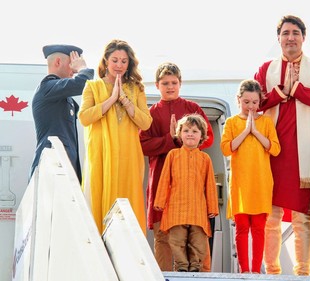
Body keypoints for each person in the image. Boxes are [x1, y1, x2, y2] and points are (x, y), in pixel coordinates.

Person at [254, 15, 310, 275]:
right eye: (285, 33)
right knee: (271, 216)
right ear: (278, 38)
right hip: (272, 151)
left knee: (303, 217)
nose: (290, 38)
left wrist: (298, 90)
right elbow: (252, 102)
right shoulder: (266, 68)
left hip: (304, 153)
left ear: (304, 37)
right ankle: (272, 272)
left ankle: (303, 272)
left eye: (295, 33)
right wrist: (281, 92)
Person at [139, 62, 214, 271]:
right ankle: (163, 275)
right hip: (162, 182)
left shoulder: (192, 109)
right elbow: (143, 145)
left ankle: (198, 274)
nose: (170, 87)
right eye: (165, 83)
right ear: (157, 85)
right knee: (162, 234)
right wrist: (170, 140)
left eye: (173, 82)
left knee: (195, 233)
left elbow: (209, 138)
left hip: (190, 186)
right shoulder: (152, 113)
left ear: (180, 84)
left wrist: (184, 141)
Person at [78, 39, 152, 234]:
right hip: (101, 156)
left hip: (128, 157)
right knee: (99, 200)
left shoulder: (137, 89)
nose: (119, 65)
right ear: (106, 61)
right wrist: (111, 99)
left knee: (128, 204)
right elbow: (84, 117)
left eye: (124, 61)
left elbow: (146, 122)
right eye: (115, 60)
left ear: (130, 64)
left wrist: (125, 101)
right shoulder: (92, 86)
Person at [220, 79, 280, 274]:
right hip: (240, 184)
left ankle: (256, 271)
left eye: (255, 102)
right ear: (238, 100)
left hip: (261, 182)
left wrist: (255, 131)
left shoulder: (266, 122)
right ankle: (244, 271)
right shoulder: (231, 122)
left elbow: (276, 149)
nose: (251, 106)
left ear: (259, 102)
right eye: (246, 102)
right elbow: (226, 149)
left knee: (258, 229)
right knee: (242, 228)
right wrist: (246, 130)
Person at [154, 113, 219, 272]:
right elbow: (164, 180)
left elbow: (210, 184)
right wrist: (159, 202)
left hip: (198, 210)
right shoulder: (173, 155)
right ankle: (182, 268)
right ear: (179, 134)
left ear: (202, 136)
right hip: (176, 209)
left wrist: (212, 208)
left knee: (198, 241)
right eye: (186, 130)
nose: (190, 134)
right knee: (177, 241)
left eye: (195, 131)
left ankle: (195, 268)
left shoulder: (205, 159)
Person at [29, 44, 94, 183]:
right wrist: (83, 68)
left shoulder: (62, 96)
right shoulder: (47, 87)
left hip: (63, 169)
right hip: (51, 169)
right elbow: (83, 83)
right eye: (72, 63)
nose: (75, 70)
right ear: (58, 62)